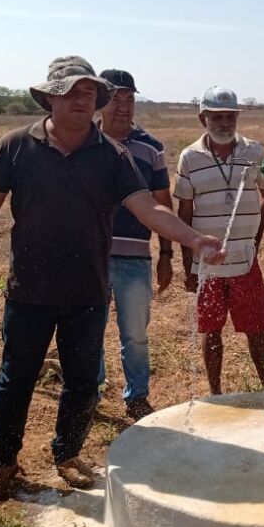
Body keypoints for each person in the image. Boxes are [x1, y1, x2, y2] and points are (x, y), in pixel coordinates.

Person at [0, 56, 223, 503]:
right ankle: (2, 464)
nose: (81, 101)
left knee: (83, 381)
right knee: (15, 378)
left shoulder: (112, 155)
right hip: (29, 289)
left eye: (89, 94)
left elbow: (148, 208)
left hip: (87, 290)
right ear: (49, 97)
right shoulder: (15, 146)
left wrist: (193, 239)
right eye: (70, 92)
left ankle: (67, 455)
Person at [174, 86, 264, 394]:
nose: (224, 122)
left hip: (245, 261)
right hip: (208, 266)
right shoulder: (190, 158)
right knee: (211, 330)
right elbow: (184, 211)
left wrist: (255, 236)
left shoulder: (254, 151)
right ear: (203, 117)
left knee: (256, 329)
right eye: (216, 116)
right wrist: (188, 262)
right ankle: (215, 394)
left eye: (230, 116)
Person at [95, 69, 172, 421]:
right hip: (90, 257)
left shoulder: (151, 148)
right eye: (115, 98)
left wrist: (166, 254)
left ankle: (137, 397)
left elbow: (161, 203)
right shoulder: (83, 142)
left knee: (135, 335)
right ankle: (88, 395)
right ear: (100, 101)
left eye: (129, 99)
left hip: (134, 259)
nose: (123, 107)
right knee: (87, 332)